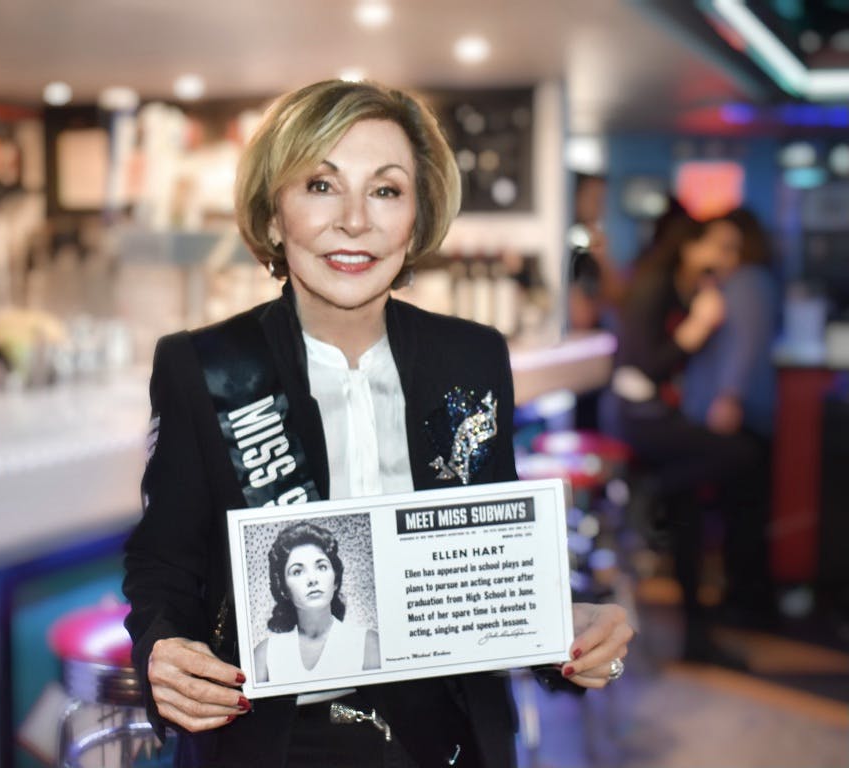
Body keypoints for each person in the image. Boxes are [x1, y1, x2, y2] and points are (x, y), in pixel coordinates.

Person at [123, 79, 633, 768]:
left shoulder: (473, 359)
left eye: (386, 191)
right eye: (321, 186)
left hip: (443, 740)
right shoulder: (204, 366)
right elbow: (164, 562)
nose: (355, 221)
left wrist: (565, 631)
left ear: (417, 220)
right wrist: (162, 648)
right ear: (274, 215)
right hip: (274, 741)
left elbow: (488, 554)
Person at [599, 212, 759, 665]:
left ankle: (696, 637)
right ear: (691, 247)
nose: (728, 259)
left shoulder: (687, 288)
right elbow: (646, 365)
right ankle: (651, 492)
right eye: (721, 247)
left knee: (690, 502)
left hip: (654, 413)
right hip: (635, 417)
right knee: (743, 454)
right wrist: (698, 329)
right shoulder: (657, 285)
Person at [681, 209, 779, 624]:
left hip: (741, 413)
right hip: (737, 411)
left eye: (727, 245)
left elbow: (747, 346)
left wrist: (729, 396)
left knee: (745, 512)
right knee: (739, 510)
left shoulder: (749, 282)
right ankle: (741, 598)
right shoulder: (734, 282)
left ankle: (747, 602)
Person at [253, 521, 379, 684]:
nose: (312, 579)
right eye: (297, 571)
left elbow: (374, 709)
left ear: (335, 580)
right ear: (283, 589)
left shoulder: (368, 644)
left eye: (321, 567)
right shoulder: (264, 655)